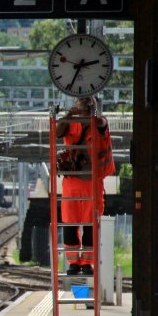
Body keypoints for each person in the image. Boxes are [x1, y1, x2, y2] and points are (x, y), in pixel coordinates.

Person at [56, 96, 114, 276]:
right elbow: (58, 132)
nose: (85, 109)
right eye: (82, 106)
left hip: (90, 182)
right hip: (74, 181)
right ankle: (74, 262)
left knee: (89, 223)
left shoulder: (98, 123)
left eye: (88, 106)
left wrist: (95, 117)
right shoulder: (71, 123)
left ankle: (87, 263)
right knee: (70, 223)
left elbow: (103, 125)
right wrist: (68, 116)